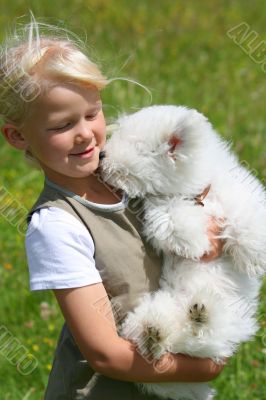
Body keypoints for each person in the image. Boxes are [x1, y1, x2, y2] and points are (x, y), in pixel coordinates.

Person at [0, 17, 225, 400]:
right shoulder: (55, 224)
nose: (86, 133)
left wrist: (207, 236)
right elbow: (104, 353)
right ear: (18, 136)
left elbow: (200, 197)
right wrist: (202, 367)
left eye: (92, 113)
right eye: (62, 125)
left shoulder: (128, 173)